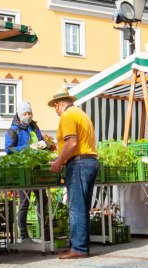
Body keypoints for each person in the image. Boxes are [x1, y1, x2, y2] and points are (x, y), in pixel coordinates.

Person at [48, 87, 98, 259]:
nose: (55, 111)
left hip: (78, 163)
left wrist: (58, 162)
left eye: (55, 107)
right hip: (90, 161)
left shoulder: (67, 116)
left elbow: (72, 143)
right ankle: (81, 246)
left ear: (58, 104)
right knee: (82, 207)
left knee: (76, 207)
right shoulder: (81, 114)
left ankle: (79, 248)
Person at [5, 101, 49, 243]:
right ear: (19, 114)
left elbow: (40, 142)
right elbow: (9, 149)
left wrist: (45, 145)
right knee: (24, 203)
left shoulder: (34, 127)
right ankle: (24, 236)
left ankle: (45, 234)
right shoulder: (13, 130)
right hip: (23, 171)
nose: (28, 116)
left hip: (37, 169)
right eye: (25, 113)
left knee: (43, 200)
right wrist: (28, 148)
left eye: (30, 113)